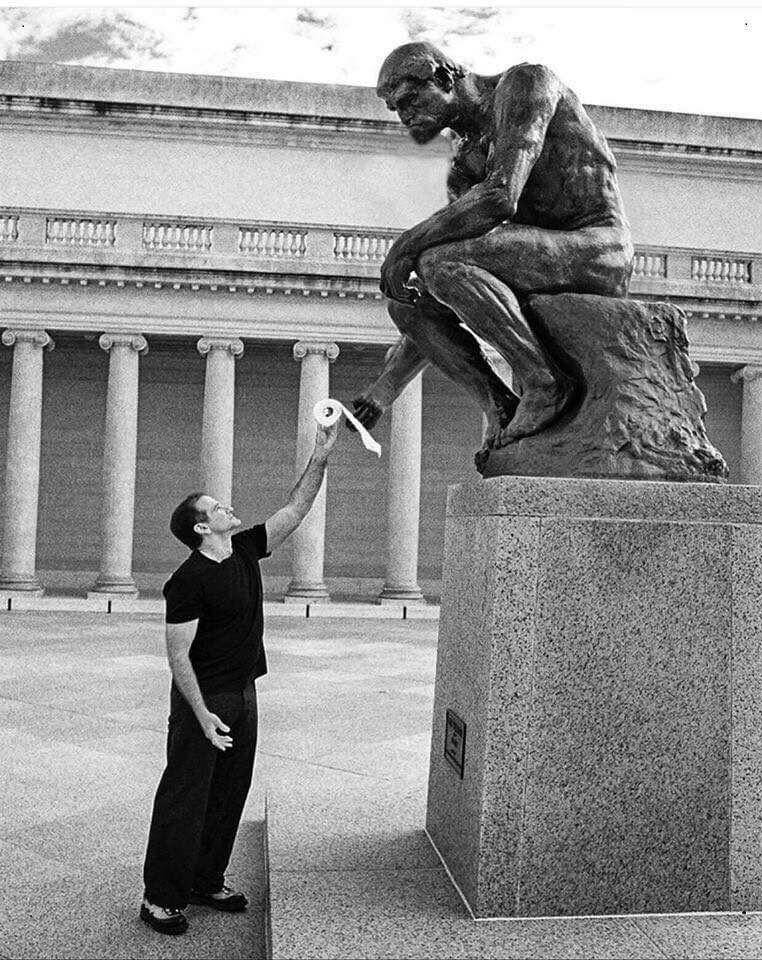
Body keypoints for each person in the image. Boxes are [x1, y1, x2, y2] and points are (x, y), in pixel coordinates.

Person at [352, 42, 634, 446]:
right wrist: (383, 391)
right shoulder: (465, 163)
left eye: (410, 100)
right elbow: (448, 281)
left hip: (597, 246)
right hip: (537, 261)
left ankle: (545, 383)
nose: (405, 117)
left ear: (444, 77)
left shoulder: (525, 84)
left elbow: (502, 195)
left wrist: (405, 247)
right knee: (408, 302)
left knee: (436, 263)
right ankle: (500, 404)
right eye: (397, 110)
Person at [140, 420, 338, 935]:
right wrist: (202, 714)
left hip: (243, 692)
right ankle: (160, 898)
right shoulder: (187, 581)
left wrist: (319, 455)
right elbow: (178, 656)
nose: (227, 508)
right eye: (216, 508)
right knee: (186, 795)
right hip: (203, 701)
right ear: (201, 528)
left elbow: (295, 509)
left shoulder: (246, 548)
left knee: (230, 790)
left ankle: (206, 879)